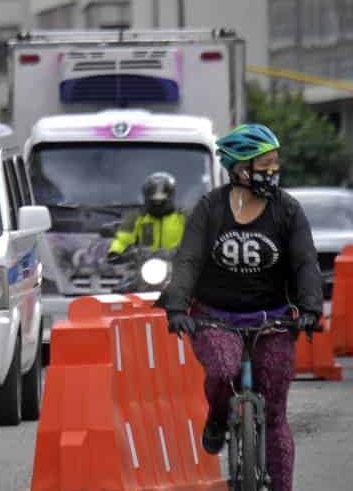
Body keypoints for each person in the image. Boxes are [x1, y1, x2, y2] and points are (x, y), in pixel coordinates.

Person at [155, 123, 323, 491]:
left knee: (275, 411)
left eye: (275, 163)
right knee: (222, 368)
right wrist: (178, 307)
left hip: (274, 318)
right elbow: (188, 260)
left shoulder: (288, 210)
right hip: (216, 316)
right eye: (264, 163)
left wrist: (311, 307)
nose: (272, 170)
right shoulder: (210, 208)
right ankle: (217, 418)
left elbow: (304, 262)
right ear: (239, 168)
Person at [107, 171, 186, 261]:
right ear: (147, 195)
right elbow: (122, 239)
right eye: (154, 195)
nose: (158, 199)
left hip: (177, 264)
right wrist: (114, 252)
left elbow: (196, 237)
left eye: (162, 194)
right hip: (145, 264)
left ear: (171, 195)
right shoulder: (135, 217)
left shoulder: (182, 217)